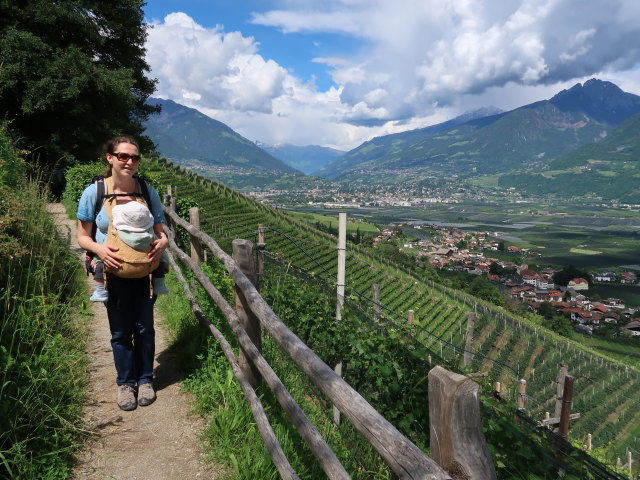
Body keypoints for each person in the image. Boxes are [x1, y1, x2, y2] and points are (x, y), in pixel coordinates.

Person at [77, 136, 169, 411]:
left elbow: (161, 233)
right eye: (123, 156)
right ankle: (125, 384)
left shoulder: (146, 191)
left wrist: (162, 243)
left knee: (145, 328)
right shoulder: (94, 192)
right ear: (110, 158)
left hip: (144, 272)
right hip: (112, 275)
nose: (129, 161)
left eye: (135, 157)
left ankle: (145, 380)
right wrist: (100, 250)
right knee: (120, 331)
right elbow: (82, 236)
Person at [90, 200, 170, 302]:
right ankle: (160, 285)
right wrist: (165, 263)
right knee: (160, 256)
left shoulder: (116, 233)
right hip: (146, 266)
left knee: (100, 264)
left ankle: (101, 291)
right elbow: (162, 252)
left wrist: (96, 259)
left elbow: (105, 247)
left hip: (117, 266)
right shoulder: (150, 234)